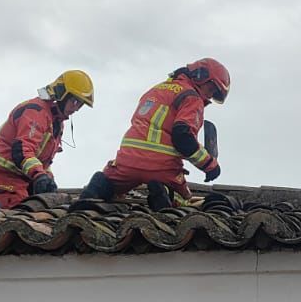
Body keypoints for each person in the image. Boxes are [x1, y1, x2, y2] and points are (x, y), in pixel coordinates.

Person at [78, 58, 229, 209]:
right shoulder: (192, 98)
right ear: (200, 77)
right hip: (162, 168)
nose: (209, 96)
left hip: (127, 162)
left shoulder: (155, 90)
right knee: (184, 200)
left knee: (110, 185)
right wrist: (209, 164)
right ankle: (166, 192)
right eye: (211, 89)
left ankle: (96, 189)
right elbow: (183, 138)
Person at [0, 70, 94, 210]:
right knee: (17, 219)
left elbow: (43, 161)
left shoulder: (56, 122)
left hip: (23, 177)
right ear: (62, 94)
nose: (76, 108)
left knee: (36, 214)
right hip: (2, 174)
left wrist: (48, 179)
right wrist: (40, 175)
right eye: (75, 101)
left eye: (80, 105)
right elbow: (22, 150)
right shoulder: (36, 111)